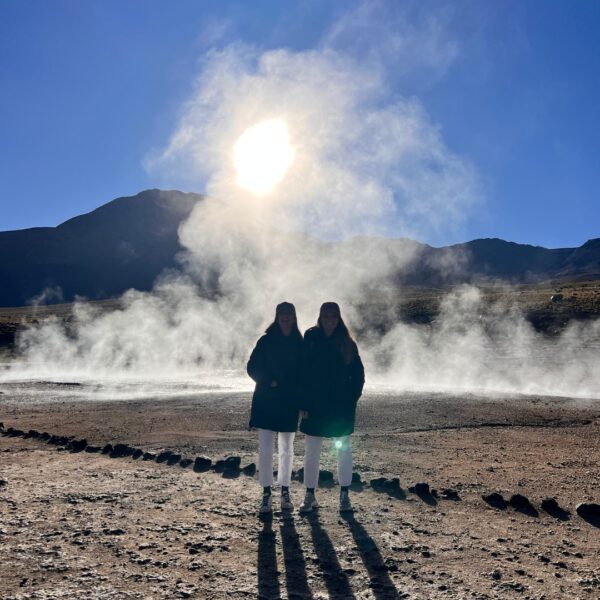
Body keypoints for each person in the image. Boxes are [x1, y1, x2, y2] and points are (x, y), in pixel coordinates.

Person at [299, 302, 365, 513]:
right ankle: (310, 495)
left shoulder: (347, 343)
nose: (330, 320)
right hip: (314, 406)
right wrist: (302, 403)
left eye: (333, 316)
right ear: (320, 316)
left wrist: (351, 400)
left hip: (340, 408)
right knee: (312, 452)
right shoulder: (311, 339)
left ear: (338, 318)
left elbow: (358, 375)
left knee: (344, 450)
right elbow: (302, 373)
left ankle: (344, 496)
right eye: (326, 316)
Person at [247, 302, 303, 513]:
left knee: (287, 449)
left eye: (289, 314)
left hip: (289, 402)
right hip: (266, 400)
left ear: (294, 317)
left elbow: (305, 374)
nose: (286, 317)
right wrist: (269, 381)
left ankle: (285, 490)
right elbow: (252, 367)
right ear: (277, 316)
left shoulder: (300, 343)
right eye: (282, 314)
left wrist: (303, 402)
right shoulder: (266, 341)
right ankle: (266, 493)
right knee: (266, 449)